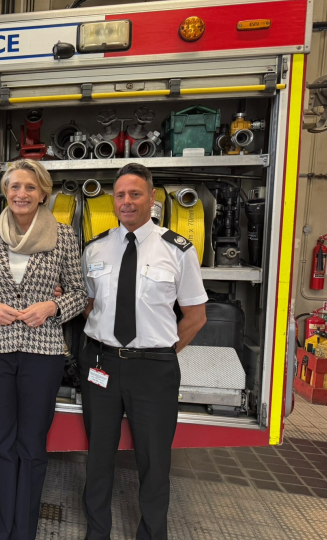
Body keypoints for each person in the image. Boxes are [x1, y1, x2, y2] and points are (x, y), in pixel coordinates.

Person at [80, 163, 207, 540]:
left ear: (152, 198)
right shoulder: (95, 247)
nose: (127, 202)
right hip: (101, 363)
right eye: (120, 195)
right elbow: (90, 305)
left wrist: (161, 351)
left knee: (154, 461)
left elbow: (196, 316)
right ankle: (96, 532)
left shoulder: (178, 250)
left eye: (135, 194)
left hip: (154, 368)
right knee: (98, 457)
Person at [0, 159, 88, 540]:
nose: (21, 194)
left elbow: (80, 293)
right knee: (1, 441)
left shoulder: (63, 236)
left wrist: (52, 307)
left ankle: (25, 531)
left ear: (43, 193)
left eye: (30, 188)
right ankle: (2, 530)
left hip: (43, 352)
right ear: (5, 192)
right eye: (15, 186)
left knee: (32, 444)